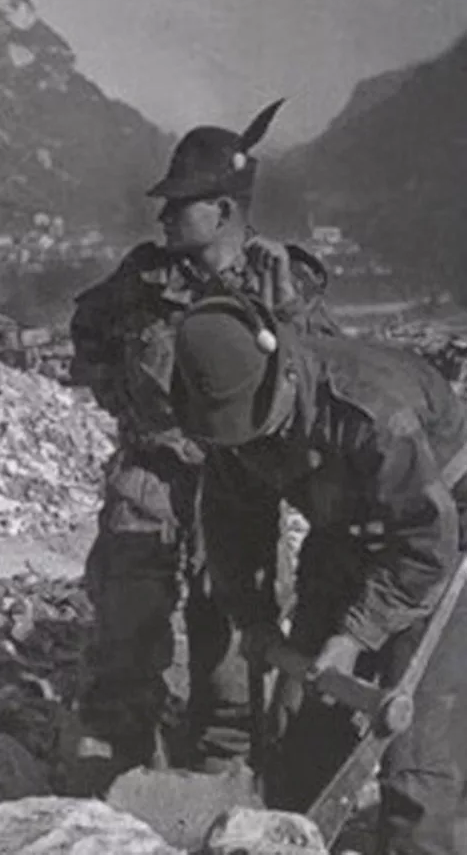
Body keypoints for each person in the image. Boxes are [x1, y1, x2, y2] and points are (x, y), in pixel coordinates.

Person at [67, 100, 339, 788]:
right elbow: (89, 335)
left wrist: (289, 317)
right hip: (152, 475)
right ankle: (116, 764)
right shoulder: (141, 281)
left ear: (223, 210)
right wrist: (127, 407)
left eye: (180, 203)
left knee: (233, 622)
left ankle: (224, 763)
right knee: (127, 618)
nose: (163, 216)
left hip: (242, 478)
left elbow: (326, 377)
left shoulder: (287, 284)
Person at [172, 294, 468, 855]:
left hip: (445, 540)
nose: (247, 446)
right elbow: (234, 528)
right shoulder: (233, 423)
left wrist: (354, 636)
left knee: (416, 754)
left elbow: (426, 544)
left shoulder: (371, 410)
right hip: (346, 535)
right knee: (301, 729)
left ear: (277, 372)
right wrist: (255, 622)